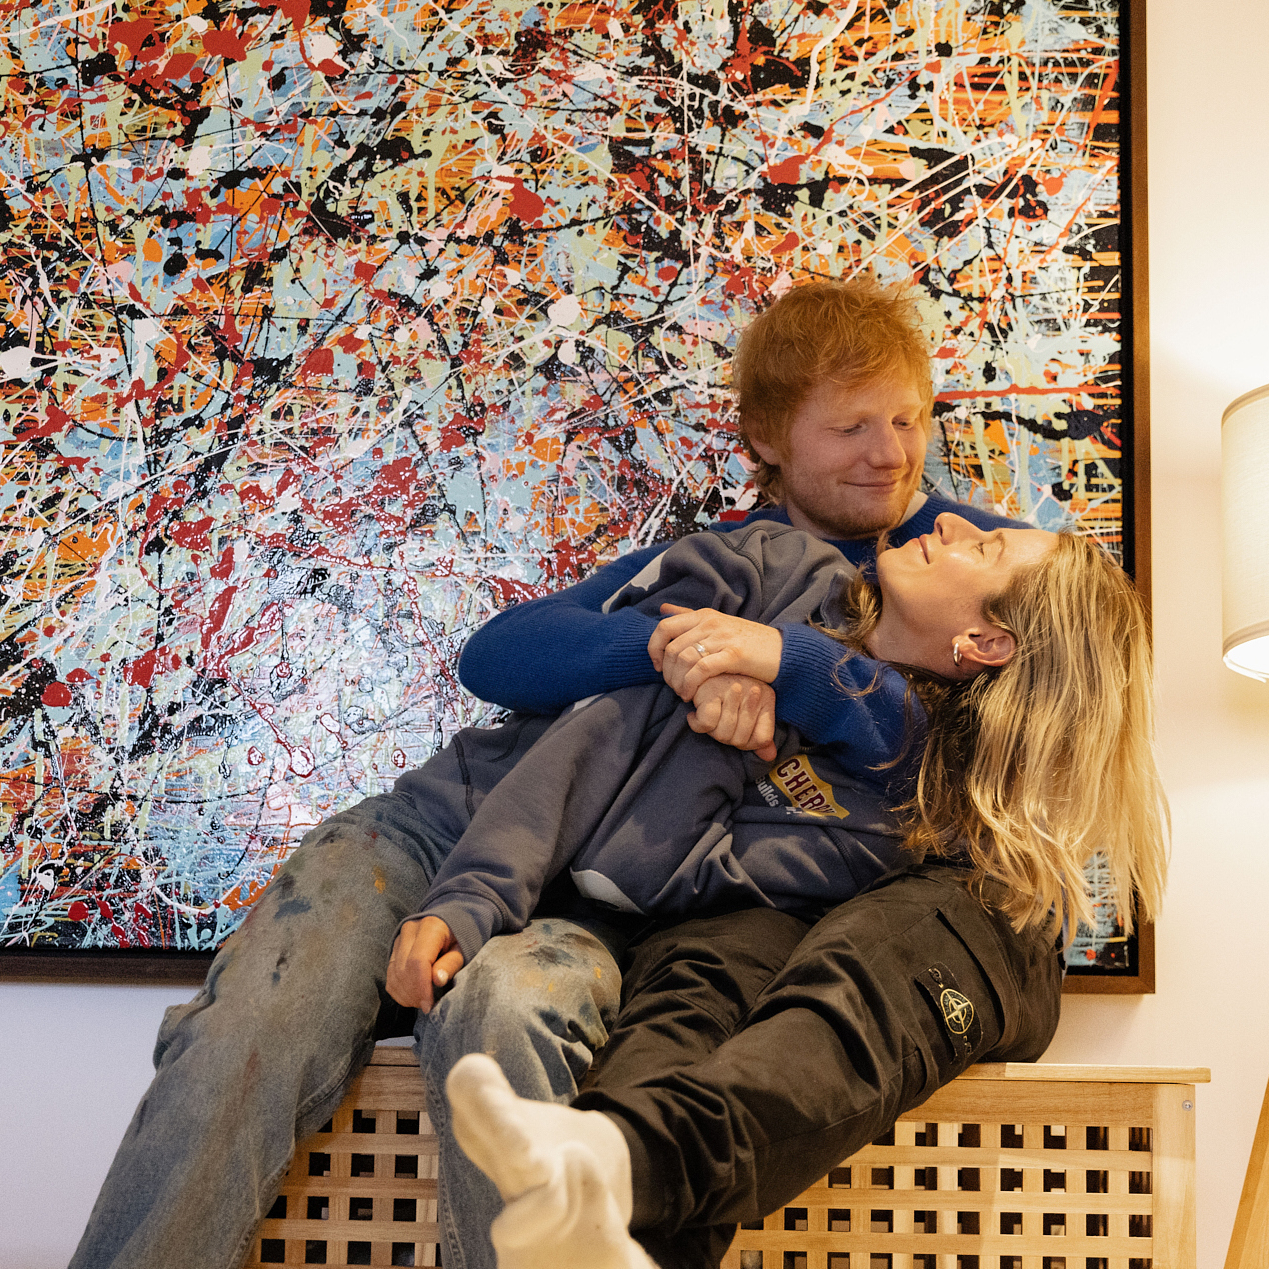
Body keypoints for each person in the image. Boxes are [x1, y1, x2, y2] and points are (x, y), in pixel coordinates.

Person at [64, 277, 1082, 1269]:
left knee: (502, 1012)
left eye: (907, 419)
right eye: (851, 426)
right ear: (768, 439)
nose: (890, 454)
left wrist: (781, 665)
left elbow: (1007, 744)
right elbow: (498, 656)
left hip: (597, 893)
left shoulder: (963, 571)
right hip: (451, 824)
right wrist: (688, 650)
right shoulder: (733, 558)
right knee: (262, 1015)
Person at [440, 515, 1167, 1269]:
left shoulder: (942, 793)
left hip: (891, 935)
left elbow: (911, 743)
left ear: (986, 643)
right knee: (695, 991)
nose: (953, 520)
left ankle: (617, 1158)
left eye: (985, 547)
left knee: (852, 967)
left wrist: (784, 658)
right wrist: (709, 667)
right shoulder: (788, 579)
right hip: (746, 927)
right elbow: (503, 658)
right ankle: (609, 1176)